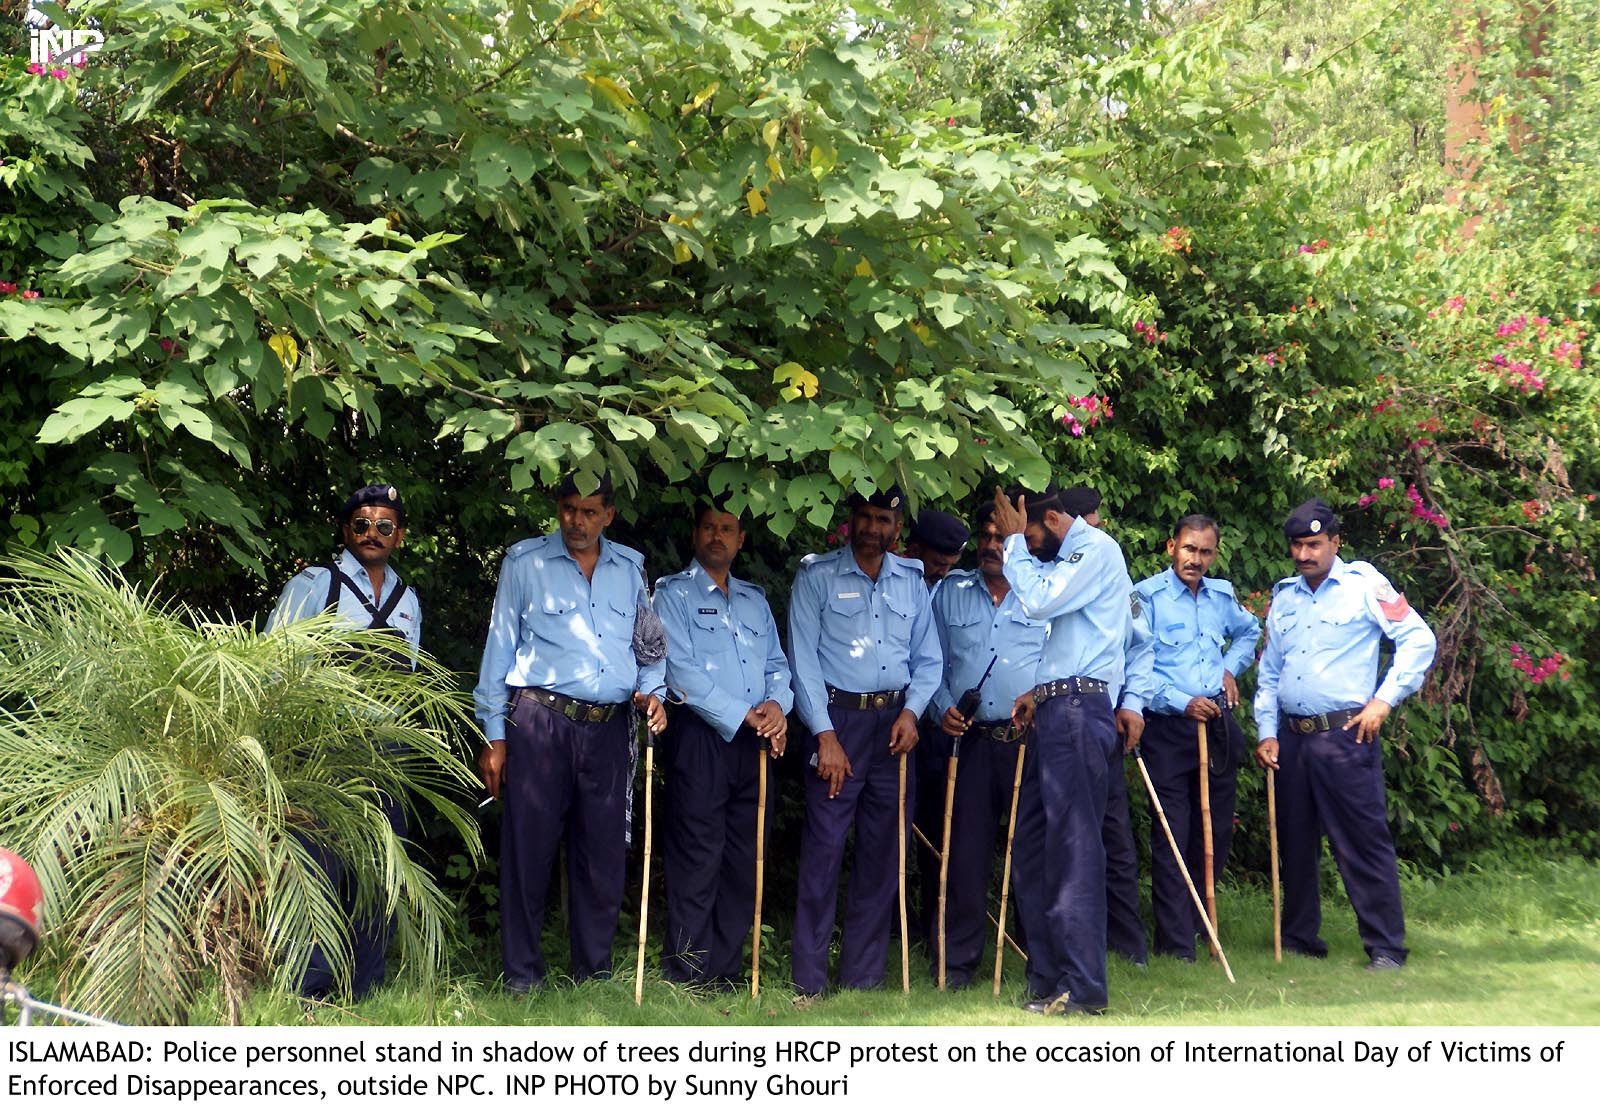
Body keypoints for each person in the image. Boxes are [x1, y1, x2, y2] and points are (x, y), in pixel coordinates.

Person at [474, 473, 667, 993]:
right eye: (568, 509)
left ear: (608, 514)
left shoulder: (629, 567)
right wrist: (494, 735)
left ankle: (593, 976)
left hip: (607, 730)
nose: (576, 522)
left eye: (588, 511)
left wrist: (654, 694)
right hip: (539, 721)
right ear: (557, 508)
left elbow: (649, 648)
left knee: (602, 857)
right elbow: (498, 652)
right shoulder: (524, 563)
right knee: (527, 853)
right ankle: (522, 978)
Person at [1253, 498, 1436, 970]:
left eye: (1314, 543)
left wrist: (1384, 699)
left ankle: (1386, 949)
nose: (1304, 553)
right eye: (1297, 545)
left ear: (1336, 542)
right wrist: (1267, 732)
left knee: (1361, 843)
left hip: (1345, 735)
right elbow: (1270, 673)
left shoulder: (1364, 585)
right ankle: (1299, 940)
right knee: (1295, 844)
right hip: (1292, 739)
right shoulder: (1285, 596)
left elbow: (1419, 639)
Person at [266, 482, 420, 999]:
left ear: (398, 534)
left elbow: (411, 679)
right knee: (317, 869)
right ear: (345, 529)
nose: (372, 534)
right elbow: (271, 665)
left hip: (386, 752)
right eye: (361, 524)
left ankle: (366, 989)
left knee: (378, 870)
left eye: (384, 526)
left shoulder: (408, 601)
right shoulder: (314, 585)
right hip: (322, 750)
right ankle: (307, 989)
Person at [788, 486, 943, 996]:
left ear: (897, 527)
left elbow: (928, 660)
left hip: (894, 727)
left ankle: (862, 978)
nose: (874, 528)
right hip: (839, 724)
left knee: (884, 855)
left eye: (884, 519)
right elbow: (803, 661)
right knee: (823, 852)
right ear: (850, 520)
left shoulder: (912, 581)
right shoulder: (817, 576)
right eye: (866, 517)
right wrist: (824, 733)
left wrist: (915, 713)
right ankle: (809, 981)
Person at [992, 485, 1136, 1016]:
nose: (1026, 546)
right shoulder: (1073, 560)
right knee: (1033, 849)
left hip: (1079, 710)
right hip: (1057, 707)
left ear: (1054, 518)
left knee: (1074, 851)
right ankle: (1048, 979)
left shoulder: (1094, 547)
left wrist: (1011, 544)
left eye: (1032, 535)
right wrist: (1039, 690)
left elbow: (1040, 601)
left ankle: (1084, 988)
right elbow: (1076, 640)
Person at [652, 505, 794, 988]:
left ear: (741, 539)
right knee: (697, 858)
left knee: (743, 860)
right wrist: (744, 713)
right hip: (701, 739)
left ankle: (728, 974)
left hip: (754, 745)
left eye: (727, 529)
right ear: (695, 533)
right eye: (709, 527)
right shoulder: (672, 595)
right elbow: (679, 671)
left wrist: (777, 705)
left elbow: (777, 663)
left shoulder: (754, 601)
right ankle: (687, 975)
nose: (717, 536)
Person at [922, 503, 1046, 988]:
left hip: (1025, 742)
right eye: (987, 535)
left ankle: (1043, 963)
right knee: (963, 859)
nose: (993, 545)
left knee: (1033, 858)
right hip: (967, 743)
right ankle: (954, 967)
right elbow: (925, 660)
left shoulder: (1043, 594)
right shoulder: (948, 594)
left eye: (1002, 536)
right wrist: (941, 708)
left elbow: (1062, 659)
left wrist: (1040, 697)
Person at [1133, 514, 1261, 961]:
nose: (1196, 559)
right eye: (1189, 549)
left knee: (1215, 832)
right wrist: (1180, 701)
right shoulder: (1145, 597)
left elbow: (1250, 632)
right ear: (1172, 546)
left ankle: (1201, 923)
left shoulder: (1221, 596)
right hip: (1168, 728)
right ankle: (1175, 943)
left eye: (1206, 551)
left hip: (1218, 726)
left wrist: (1230, 669)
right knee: (1173, 834)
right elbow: (1135, 667)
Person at [1059, 484, 1149, 968]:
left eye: (1096, 523)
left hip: (1100, 723)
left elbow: (1142, 645)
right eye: (1084, 524)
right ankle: (1070, 949)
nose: (1094, 534)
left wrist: (1132, 703)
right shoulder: (1047, 578)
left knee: (1112, 838)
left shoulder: (1113, 573)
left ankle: (1126, 945)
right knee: (1062, 843)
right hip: (1047, 725)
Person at [904, 509, 970, 590]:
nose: (944, 572)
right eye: (939, 564)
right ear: (914, 551)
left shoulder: (941, 589)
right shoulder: (889, 585)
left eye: (951, 565)